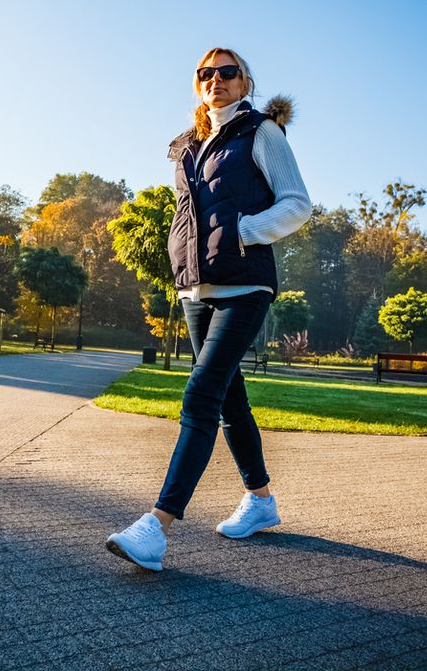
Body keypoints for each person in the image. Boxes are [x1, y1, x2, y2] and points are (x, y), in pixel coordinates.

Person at [106, 47, 312, 571]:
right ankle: (261, 501)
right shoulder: (187, 147)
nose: (215, 79)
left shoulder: (262, 132)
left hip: (245, 285)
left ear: (244, 83)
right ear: (197, 84)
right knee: (228, 401)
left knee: (200, 394)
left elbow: (297, 203)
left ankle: (157, 527)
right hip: (196, 290)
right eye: (206, 73)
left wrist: (244, 233)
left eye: (227, 72)